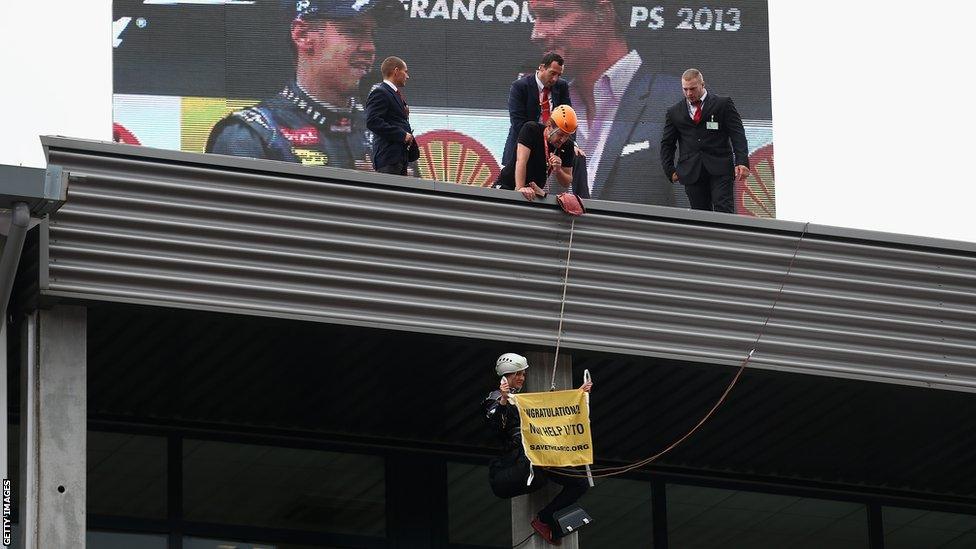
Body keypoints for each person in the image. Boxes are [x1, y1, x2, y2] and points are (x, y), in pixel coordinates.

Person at [205, 0, 400, 169]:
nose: (369, 48)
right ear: (303, 35)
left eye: (372, 35)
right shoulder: (252, 135)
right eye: (353, 31)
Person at [528, 0, 684, 206]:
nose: (536, 34)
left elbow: (704, 220)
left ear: (602, 12)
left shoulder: (677, 101)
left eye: (550, 16)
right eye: (534, 18)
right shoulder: (547, 108)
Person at [483, 353, 593, 545]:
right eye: (518, 374)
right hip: (518, 461)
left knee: (580, 483)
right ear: (506, 375)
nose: (522, 378)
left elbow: (550, 411)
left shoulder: (523, 400)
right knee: (562, 475)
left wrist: (578, 395)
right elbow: (495, 426)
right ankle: (547, 519)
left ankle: (545, 518)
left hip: (537, 457)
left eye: (523, 375)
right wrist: (502, 399)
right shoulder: (494, 399)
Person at [660, 69, 749, 213]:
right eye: (685, 89)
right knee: (700, 215)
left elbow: (737, 133)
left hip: (720, 168)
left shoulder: (722, 104)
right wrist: (669, 169)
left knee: (723, 209)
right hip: (691, 171)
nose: (689, 93)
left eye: (693, 89)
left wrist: (742, 161)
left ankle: (725, 236)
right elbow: (667, 144)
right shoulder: (674, 112)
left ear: (702, 84)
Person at [493, 105, 578, 202]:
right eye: (560, 134)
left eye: (567, 136)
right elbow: (521, 161)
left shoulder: (568, 145)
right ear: (549, 126)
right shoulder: (531, 130)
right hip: (508, 184)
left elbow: (567, 182)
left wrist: (558, 170)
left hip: (534, 192)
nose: (563, 140)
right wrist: (520, 188)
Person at [501, 52, 572, 169]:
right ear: (542, 68)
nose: (555, 79)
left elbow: (568, 119)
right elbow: (518, 123)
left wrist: (571, 144)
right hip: (521, 148)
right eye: (552, 73)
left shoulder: (562, 86)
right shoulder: (519, 87)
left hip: (550, 151)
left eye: (559, 75)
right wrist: (540, 143)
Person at [365, 56, 419, 175]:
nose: (407, 76)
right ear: (396, 71)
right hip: (389, 159)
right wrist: (402, 135)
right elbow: (372, 121)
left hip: (400, 159)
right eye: (405, 72)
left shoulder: (394, 94)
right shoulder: (380, 92)